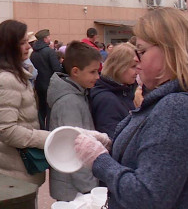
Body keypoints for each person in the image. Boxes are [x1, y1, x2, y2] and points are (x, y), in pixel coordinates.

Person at [75, 8, 188, 209]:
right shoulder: (165, 100)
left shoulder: (174, 107)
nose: (136, 59)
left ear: (170, 51)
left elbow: (147, 197)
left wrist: (99, 160)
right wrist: (110, 144)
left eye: (142, 51)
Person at [0, 20, 49, 205]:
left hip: (13, 166)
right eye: (22, 43)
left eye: (27, 41)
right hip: (12, 171)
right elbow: (7, 131)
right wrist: (47, 139)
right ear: (8, 46)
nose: (28, 46)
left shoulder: (14, 73)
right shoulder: (7, 80)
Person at [46, 41, 101, 201]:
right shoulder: (69, 102)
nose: (97, 77)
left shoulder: (77, 94)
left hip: (74, 187)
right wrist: (89, 189)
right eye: (92, 72)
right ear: (75, 71)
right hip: (74, 190)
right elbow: (74, 149)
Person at [90, 43, 137, 138]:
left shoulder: (122, 91)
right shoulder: (107, 99)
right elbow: (112, 138)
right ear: (119, 67)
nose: (137, 71)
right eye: (133, 67)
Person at [30, 29, 61, 128]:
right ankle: (48, 131)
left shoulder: (33, 53)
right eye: (48, 37)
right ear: (45, 39)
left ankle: (41, 127)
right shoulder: (49, 52)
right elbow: (56, 68)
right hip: (50, 84)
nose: (50, 38)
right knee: (50, 109)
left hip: (38, 85)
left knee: (41, 109)